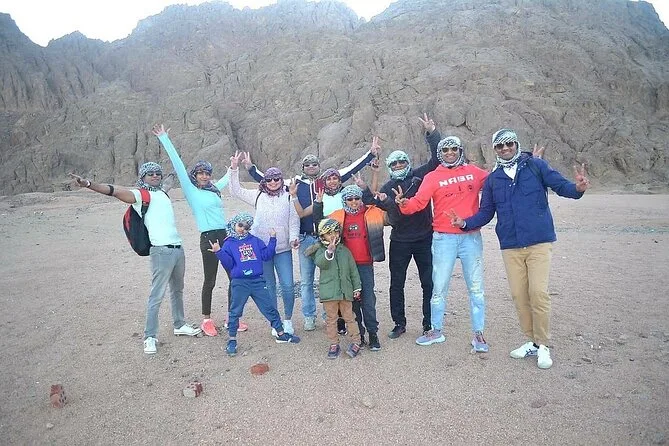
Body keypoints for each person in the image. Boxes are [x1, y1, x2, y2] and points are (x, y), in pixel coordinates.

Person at [450, 128, 590, 369]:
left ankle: (543, 344)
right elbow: (486, 212)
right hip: (511, 245)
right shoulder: (493, 179)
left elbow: (561, 186)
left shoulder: (535, 166)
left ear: (516, 144)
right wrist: (465, 223)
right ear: (495, 149)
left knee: (538, 292)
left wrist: (577, 189)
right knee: (519, 295)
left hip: (538, 242)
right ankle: (532, 341)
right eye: (500, 146)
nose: (505, 149)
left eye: (509, 144)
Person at [69, 163, 202, 355]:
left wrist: (177, 165)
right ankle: (150, 337)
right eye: (150, 174)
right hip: (161, 251)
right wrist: (88, 184)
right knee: (157, 295)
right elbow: (114, 191)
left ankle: (179, 324)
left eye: (157, 173)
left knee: (177, 290)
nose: (155, 176)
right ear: (142, 177)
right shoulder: (140, 195)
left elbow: (169, 181)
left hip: (177, 249)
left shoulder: (162, 192)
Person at [245, 146, 378, 332]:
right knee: (306, 280)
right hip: (305, 237)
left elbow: (351, 169)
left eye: (314, 164)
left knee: (330, 277)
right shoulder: (294, 182)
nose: (311, 167)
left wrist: (370, 154)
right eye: (307, 165)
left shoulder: (328, 181)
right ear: (303, 167)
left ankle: (329, 315)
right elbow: (269, 180)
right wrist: (251, 169)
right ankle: (309, 316)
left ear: (319, 166)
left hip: (328, 240)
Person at [395, 135, 489, 353]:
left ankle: (478, 334)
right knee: (439, 287)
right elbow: (418, 203)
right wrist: (404, 204)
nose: (449, 153)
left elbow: (497, 183)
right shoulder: (432, 177)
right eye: (445, 150)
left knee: (476, 288)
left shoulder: (474, 172)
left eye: (454, 149)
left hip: (470, 237)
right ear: (440, 153)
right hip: (444, 238)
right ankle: (435, 330)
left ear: (460, 150)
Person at [151, 124, 247, 337]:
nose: (204, 176)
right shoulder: (191, 190)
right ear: (194, 175)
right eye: (201, 173)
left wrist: (233, 167)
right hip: (208, 238)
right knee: (210, 279)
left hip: (225, 236)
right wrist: (165, 138)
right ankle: (207, 320)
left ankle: (232, 317)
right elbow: (177, 164)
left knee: (235, 277)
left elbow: (226, 180)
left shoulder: (213, 190)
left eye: (207, 173)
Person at [369, 114, 440, 339]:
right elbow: (373, 202)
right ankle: (399, 323)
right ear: (390, 166)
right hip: (400, 241)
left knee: (428, 282)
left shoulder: (420, 176)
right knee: (396, 283)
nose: (399, 165)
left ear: (408, 163)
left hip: (424, 238)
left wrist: (432, 133)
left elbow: (436, 160)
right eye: (394, 163)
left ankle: (429, 323)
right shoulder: (388, 187)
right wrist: (375, 178)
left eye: (402, 162)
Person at [208, 212, 300, 356]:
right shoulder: (229, 243)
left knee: (269, 307)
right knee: (235, 311)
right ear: (233, 224)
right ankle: (232, 339)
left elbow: (266, 255)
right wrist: (219, 252)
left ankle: (281, 333)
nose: (242, 229)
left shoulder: (255, 241)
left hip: (257, 280)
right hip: (240, 282)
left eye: (246, 227)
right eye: (240, 225)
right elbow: (229, 264)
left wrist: (273, 239)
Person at [228, 152, 300, 334]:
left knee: (287, 285)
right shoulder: (258, 195)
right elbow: (235, 191)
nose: (273, 182)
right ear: (265, 181)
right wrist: (234, 169)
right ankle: (276, 322)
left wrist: (293, 238)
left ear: (281, 180)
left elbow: (293, 220)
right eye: (269, 179)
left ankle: (288, 319)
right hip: (261, 250)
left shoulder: (288, 196)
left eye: (276, 179)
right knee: (269, 286)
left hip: (283, 249)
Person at [314, 184, 386, 351]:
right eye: (349, 199)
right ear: (344, 200)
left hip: (365, 264)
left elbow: (393, 219)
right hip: (345, 265)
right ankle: (359, 335)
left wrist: (383, 200)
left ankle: (373, 334)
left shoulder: (371, 211)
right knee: (352, 303)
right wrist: (318, 204)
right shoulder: (338, 216)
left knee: (368, 300)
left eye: (357, 198)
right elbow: (321, 225)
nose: (354, 202)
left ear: (361, 198)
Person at [305, 218, 362, 359]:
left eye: (336, 232)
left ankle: (356, 341)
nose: (333, 235)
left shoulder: (345, 251)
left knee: (350, 317)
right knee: (331, 319)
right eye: (329, 233)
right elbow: (321, 263)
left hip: (345, 291)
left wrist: (357, 287)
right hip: (329, 292)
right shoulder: (320, 251)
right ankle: (334, 343)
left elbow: (353, 270)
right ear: (322, 235)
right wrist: (329, 252)